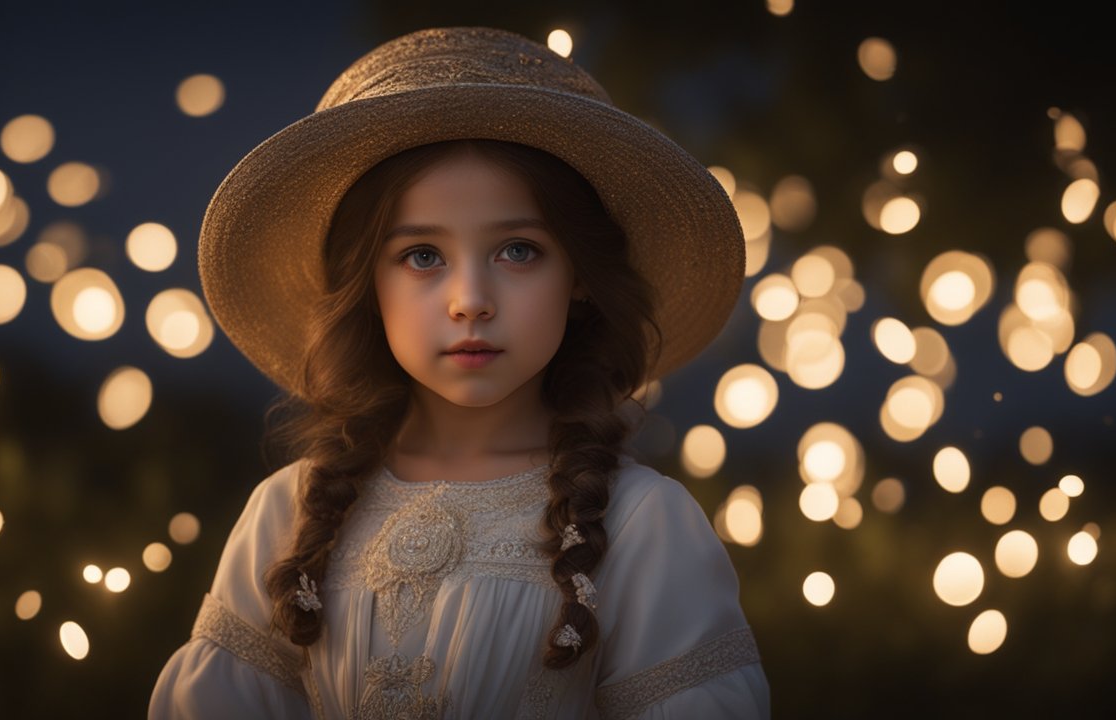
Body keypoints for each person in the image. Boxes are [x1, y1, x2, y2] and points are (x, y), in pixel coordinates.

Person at [150, 26, 769, 719]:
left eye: (518, 250)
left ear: (581, 278)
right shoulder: (286, 517)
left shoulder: (642, 526)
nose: (470, 299)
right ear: (366, 285)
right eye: (421, 256)